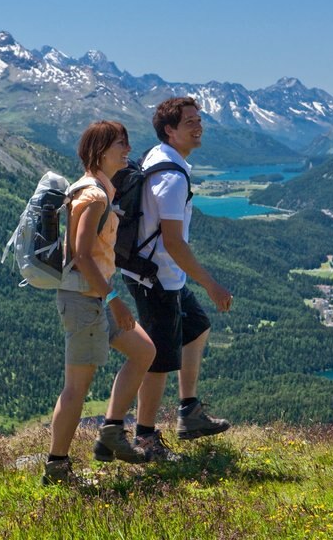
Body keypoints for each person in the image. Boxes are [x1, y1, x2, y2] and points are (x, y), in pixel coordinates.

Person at [43, 121, 157, 485]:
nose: (127, 150)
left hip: (94, 295)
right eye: (120, 145)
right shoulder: (93, 196)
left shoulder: (99, 189)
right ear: (100, 151)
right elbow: (81, 252)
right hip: (85, 298)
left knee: (143, 351)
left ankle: (110, 431)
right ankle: (57, 467)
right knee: (76, 387)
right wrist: (114, 299)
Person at [122, 97, 233, 461]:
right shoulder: (171, 176)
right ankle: (146, 438)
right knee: (158, 359)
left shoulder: (159, 157)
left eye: (199, 120)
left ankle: (189, 412)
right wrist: (210, 283)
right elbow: (173, 241)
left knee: (197, 327)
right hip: (155, 278)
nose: (198, 126)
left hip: (155, 273)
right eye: (189, 122)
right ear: (170, 130)